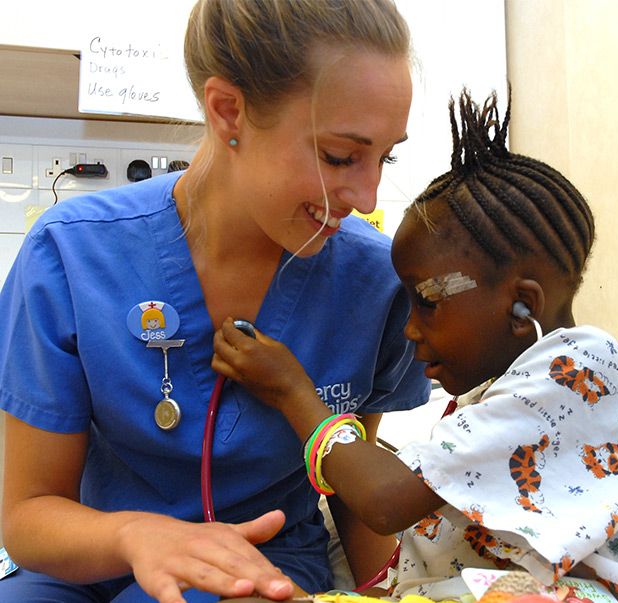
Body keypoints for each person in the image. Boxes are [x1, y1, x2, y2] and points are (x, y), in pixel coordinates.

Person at [0, 1, 432, 601]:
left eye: (385, 157)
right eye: (339, 156)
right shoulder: (70, 256)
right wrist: (134, 535)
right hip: (89, 558)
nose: (365, 195)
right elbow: (27, 514)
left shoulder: (374, 285)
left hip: (260, 559)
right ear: (229, 110)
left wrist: (387, 594)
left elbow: (356, 490)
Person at [212, 90, 618, 602]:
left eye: (426, 302)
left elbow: (385, 499)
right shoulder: (510, 387)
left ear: (521, 307)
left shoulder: (574, 370)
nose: (409, 329)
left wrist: (292, 391)